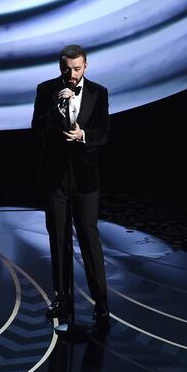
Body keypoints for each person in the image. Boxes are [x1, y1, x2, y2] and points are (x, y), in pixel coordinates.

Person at [31, 45, 110, 329]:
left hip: (85, 178)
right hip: (55, 178)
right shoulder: (46, 90)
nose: (72, 74)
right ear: (60, 67)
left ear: (86, 66)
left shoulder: (98, 92)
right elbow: (36, 130)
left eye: (77, 69)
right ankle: (61, 299)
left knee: (89, 237)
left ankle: (101, 303)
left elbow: (104, 133)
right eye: (67, 69)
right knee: (59, 239)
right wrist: (56, 109)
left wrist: (83, 134)